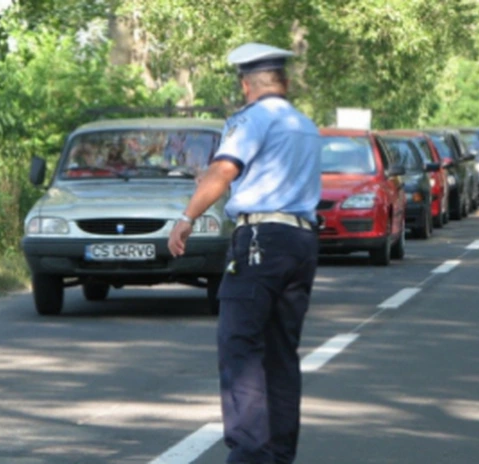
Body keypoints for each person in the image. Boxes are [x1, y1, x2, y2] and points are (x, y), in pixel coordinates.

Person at [168, 42, 322, 464]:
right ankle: (279, 454)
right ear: (283, 82)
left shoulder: (251, 119)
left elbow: (224, 169)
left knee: (241, 348)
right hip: (301, 242)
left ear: (246, 84)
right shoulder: (305, 125)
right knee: (281, 353)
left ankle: (251, 456)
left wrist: (187, 217)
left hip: (259, 241)